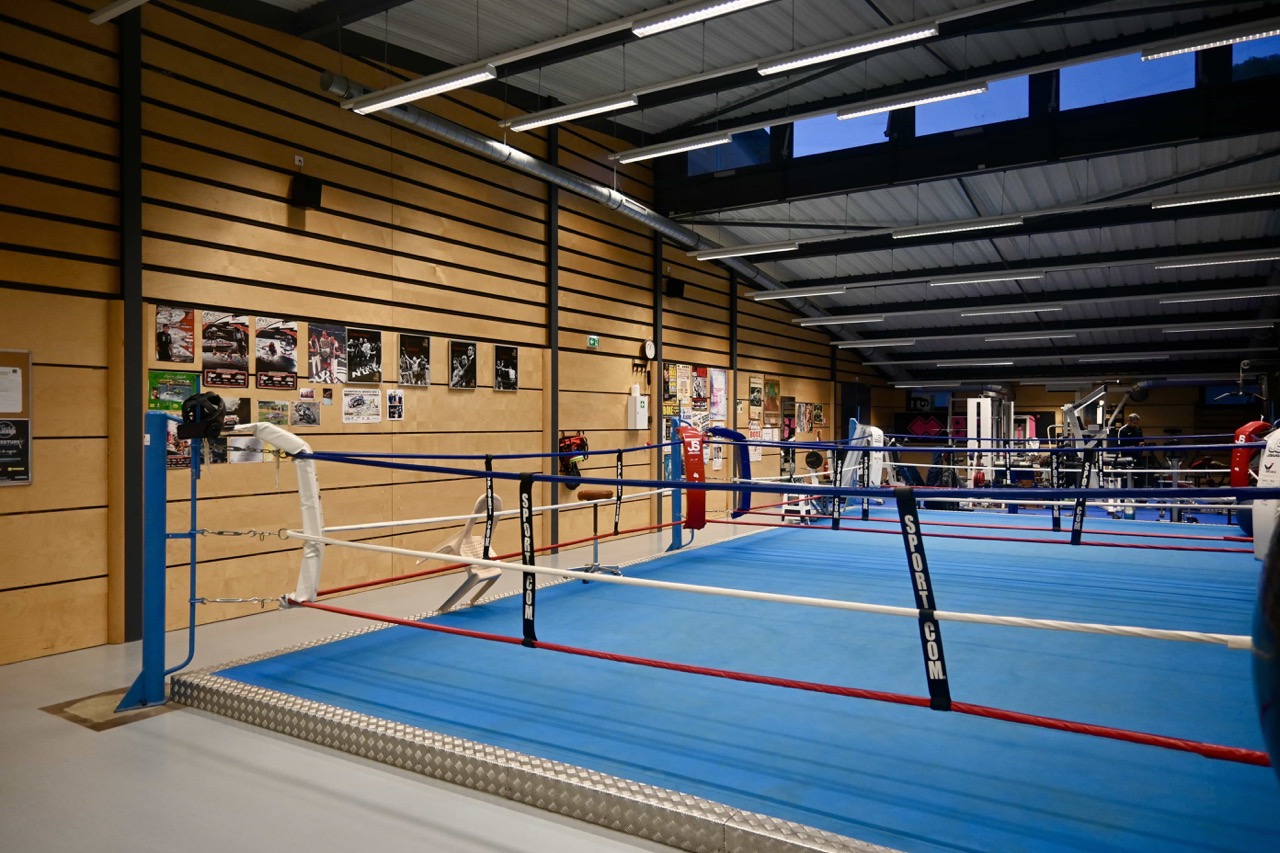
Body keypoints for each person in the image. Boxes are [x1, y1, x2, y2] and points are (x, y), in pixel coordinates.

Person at [1117, 412, 1147, 487]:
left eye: (1137, 423)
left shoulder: (1138, 429)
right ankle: (1123, 497)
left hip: (1137, 455)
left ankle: (1139, 496)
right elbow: (1121, 445)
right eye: (1134, 423)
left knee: (1139, 476)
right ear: (1129, 421)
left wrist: (1141, 446)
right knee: (1125, 478)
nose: (1136, 425)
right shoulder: (1123, 430)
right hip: (1126, 456)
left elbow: (1141, 440)